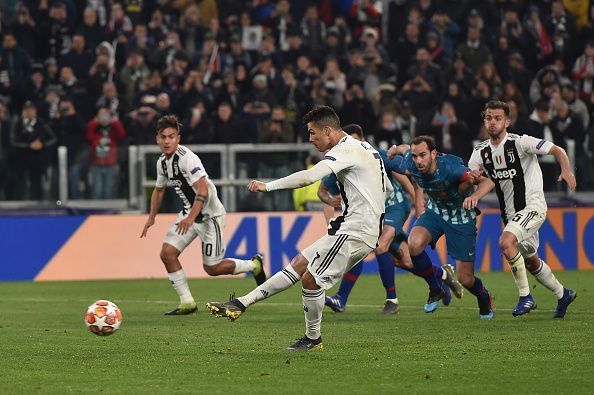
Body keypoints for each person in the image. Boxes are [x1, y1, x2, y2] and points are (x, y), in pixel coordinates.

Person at [206, 106, 391, 350]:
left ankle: (313, 339)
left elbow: (308, 177)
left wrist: (268, 186)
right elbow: (386, 187)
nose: (310, 139)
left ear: (328, 130)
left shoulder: (344, 150)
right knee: (299, 263)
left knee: (311, 280)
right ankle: (241, 303)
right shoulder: (367, 149)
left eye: (313, 133)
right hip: (354, 226)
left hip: (355, 230)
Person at [321, 124, 463, 315]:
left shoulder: (375, 155)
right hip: (371, 215)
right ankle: (443, 276)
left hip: (395, 207)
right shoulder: (340, 163)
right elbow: (322, 193)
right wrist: (331, 206)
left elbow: (410, 173)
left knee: (381, 246)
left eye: (354, 141)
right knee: (403, 260)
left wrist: (417, 203)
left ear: (362, 141)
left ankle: (391, 300)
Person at [140, 115, 266, 315]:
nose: (166, 141)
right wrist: (151, 217)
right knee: (167, 254)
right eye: (163, 137)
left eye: (171, 137)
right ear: (157, 139)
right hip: (188, 214)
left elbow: (202, 189)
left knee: (212, 268)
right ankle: (187, 302)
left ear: (178, 138)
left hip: (210, 218)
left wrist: (190, 218)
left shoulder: (187, 158)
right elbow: (159, 190)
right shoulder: (162, 163)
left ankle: (254, 265)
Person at [465, 100, 577, 318]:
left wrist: (566, 170)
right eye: (489, 118)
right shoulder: (480, 152)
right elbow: (474, 178)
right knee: (532, 261)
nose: (493, 122)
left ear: (507, 122)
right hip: (511, 215)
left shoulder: (521, 143)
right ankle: (563, 294)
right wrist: (473, 181)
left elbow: (557, 149)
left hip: (533, 206)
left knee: (506, 242)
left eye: (498, 118)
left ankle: (526, 297)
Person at [390, 135, 495, 319]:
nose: (418, 161)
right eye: (415, 156)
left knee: (465, 279)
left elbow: (488, 181)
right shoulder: (412, 161)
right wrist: (395, 148)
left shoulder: (451, 167)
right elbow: (405, 149)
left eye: (423, 155)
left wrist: (475, 196)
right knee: (413, 244)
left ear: (433, 154)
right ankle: (435, 289)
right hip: (436, 212)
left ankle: (484, 298)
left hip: (460, 216)